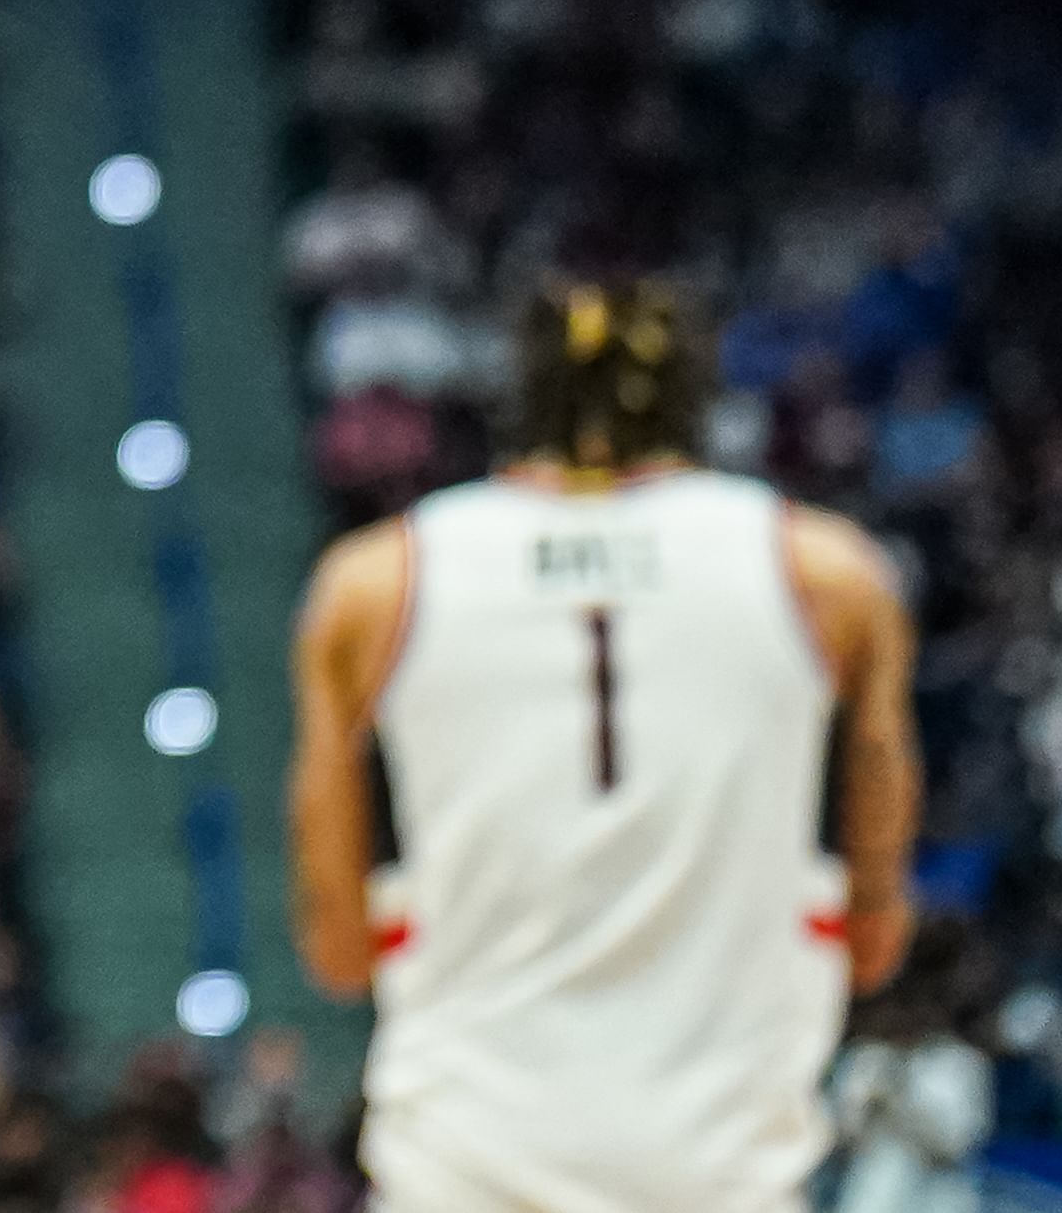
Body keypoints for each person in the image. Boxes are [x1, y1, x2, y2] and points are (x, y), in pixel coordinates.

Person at [285, 280, 921, 1213]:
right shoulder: (830, 574)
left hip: (459, 1171)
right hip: (721, 1176)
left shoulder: (371, 584)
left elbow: (337, 948)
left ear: (514, 398)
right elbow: (873, 941)